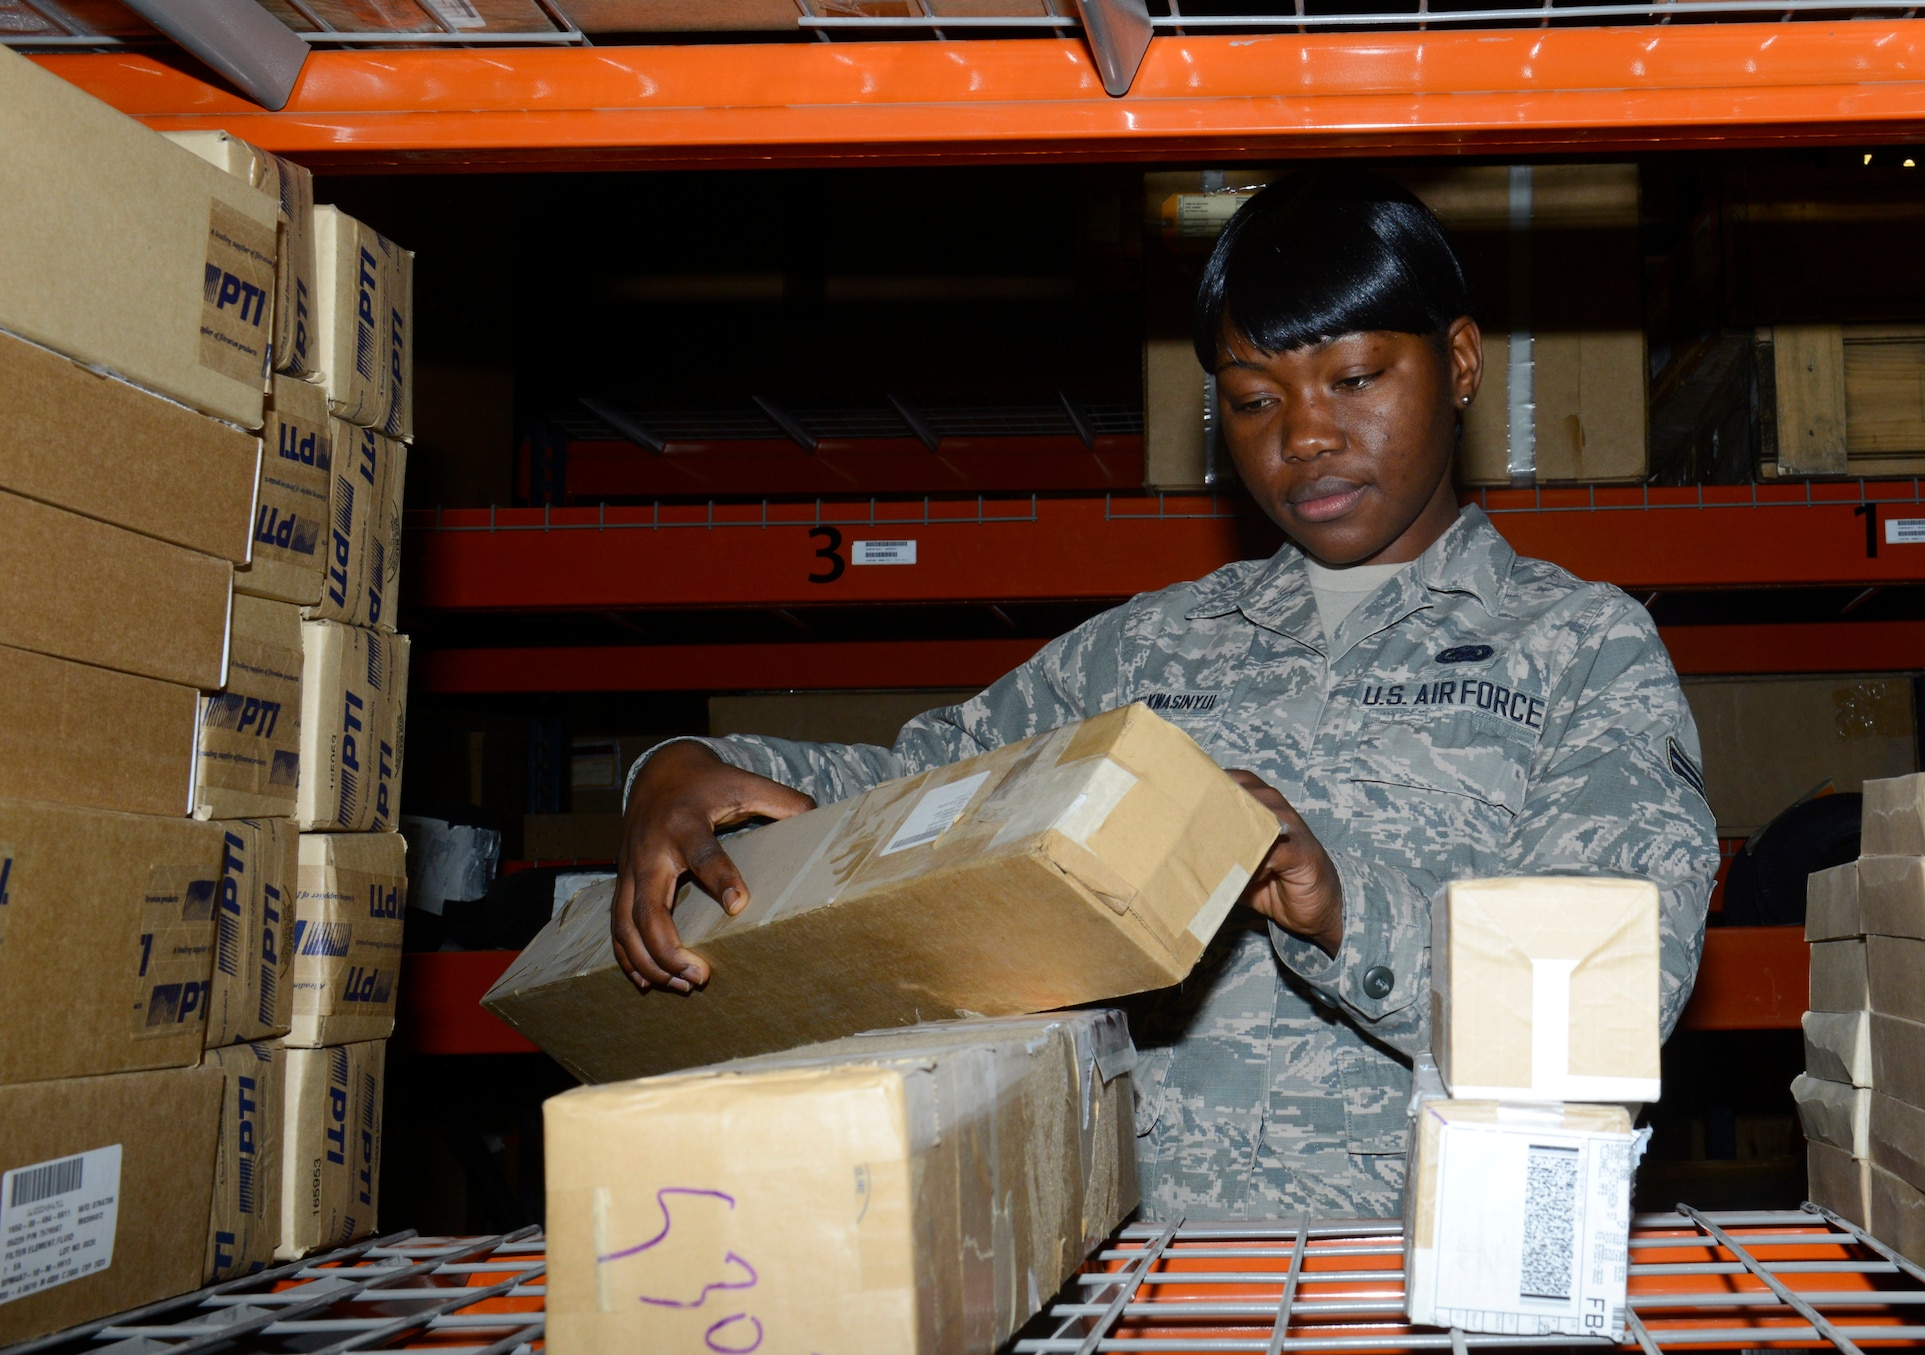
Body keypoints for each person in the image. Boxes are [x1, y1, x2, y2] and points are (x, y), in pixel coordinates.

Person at [610, 166, 1718, 1221]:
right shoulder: (1143, 655)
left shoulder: (1579, 648)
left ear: (1461, 363)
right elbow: (911, 799)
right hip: (1134, 1308)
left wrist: (1340, 911)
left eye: (1354, 378)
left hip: (1425, 1310)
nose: (1304, 436)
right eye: (1250, 399)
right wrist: (683, 775)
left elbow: (1612, 1000)